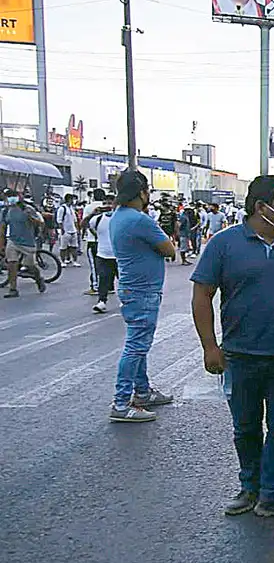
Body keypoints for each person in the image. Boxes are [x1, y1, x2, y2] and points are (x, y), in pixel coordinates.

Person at [192, 175, 274, 523]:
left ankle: (273, 494)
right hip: (240, 356)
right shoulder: (224, 245)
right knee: (246, 427)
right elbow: (202, 294)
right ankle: (250, 488)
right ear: (260, 208)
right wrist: (210, 347)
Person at [108, 170, 176, 423]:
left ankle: (143, 392)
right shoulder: (140, 220)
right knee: (136, 347)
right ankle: (121, 402)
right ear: (142, 193)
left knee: (139, 346)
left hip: (132, 288)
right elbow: (169, 249)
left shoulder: (118, 216)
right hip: (142, 291)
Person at [0, 187, 47, 298]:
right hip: (13, 241)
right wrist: (1, 244)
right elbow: (2, 228)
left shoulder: (28, 209)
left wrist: (30, 217)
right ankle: (13, 289)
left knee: (29, 265)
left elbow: (40, 223)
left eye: (12, 196)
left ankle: (38, 278)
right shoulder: (5, 211)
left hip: (28, 242)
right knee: (12, 264)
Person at [89, 194, 117, 314]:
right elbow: (85, 225)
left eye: (110, 203)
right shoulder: (98, 218)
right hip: (103, 254)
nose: (108, 206)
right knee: (103, 278)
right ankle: (102, 301)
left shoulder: (120, 218)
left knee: (124, 280)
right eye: (105, 203)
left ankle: (128, 300)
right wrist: (92, 214)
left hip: (119, 255)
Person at [81, 189, 107, 295]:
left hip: (93, 240)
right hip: (106, 240)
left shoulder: (89, 207)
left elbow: (84, 223)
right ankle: (109, 286)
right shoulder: (107, 207)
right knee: (107, 264)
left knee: (94, 265)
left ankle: (95, 286)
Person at [56, 193, 81, 267]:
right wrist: (62, 230)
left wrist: (77, 229)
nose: (73, 201)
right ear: (69, 199)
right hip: (65, 231)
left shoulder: (71, 208)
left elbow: (75, 220)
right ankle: (62, 261)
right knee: (63, 247)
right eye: (72, 199)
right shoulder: (62, 208)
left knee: (74, 247)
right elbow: (59, 220)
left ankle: (75, 261)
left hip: (73, 230)